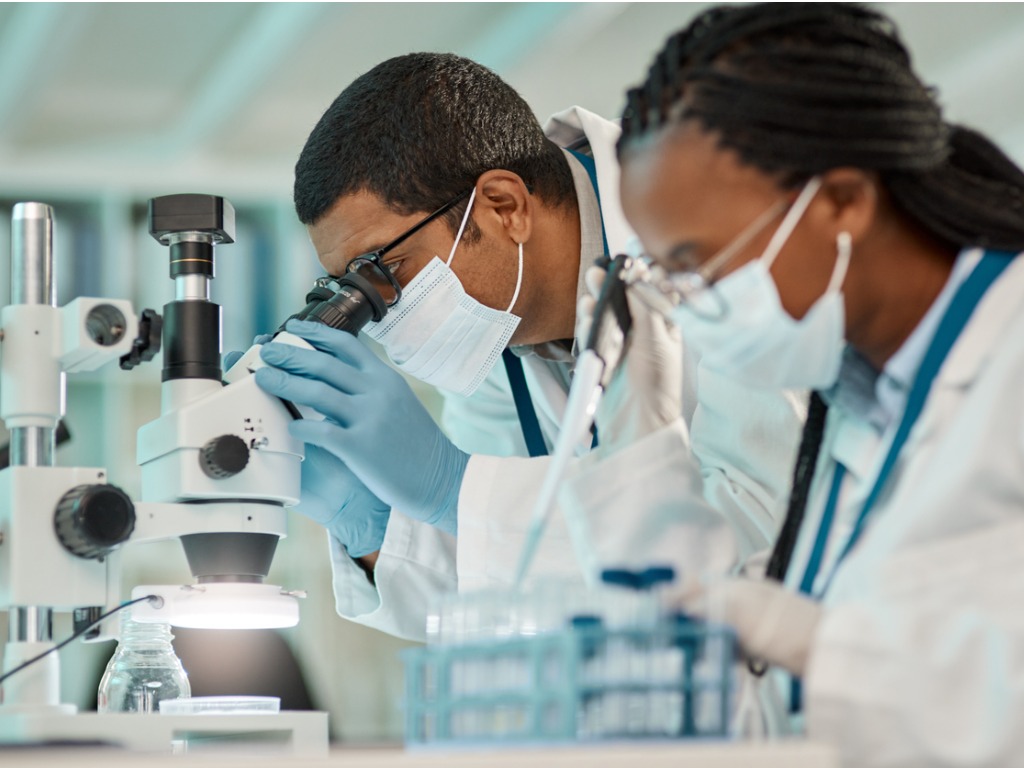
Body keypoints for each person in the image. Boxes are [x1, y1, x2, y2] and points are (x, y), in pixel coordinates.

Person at [565, 3, 1024, 765]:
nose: (684, 299)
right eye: (666, 272)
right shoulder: (851, 406)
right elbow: (800, 719)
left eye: (696, 260)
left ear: (842, 201)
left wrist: (825, 645)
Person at [251, 52, 805, 641]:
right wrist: (372, 527)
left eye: (382, 269)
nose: (380, 312)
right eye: (348, 287)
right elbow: (499, 596)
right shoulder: (495, 333)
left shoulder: (729, 233)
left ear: (504, 207)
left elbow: (762, 533)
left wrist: (453, 487)